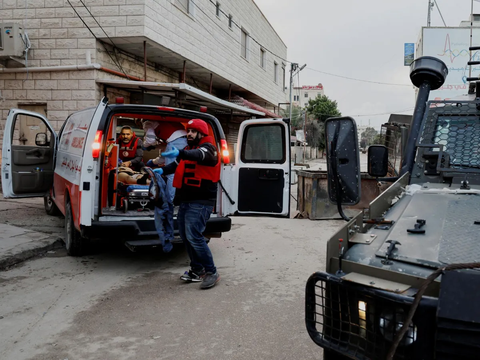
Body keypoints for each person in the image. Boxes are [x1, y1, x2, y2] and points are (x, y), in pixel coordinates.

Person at [154, 119, 221, 289]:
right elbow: (177, 165)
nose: (188, 134)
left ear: (201, 133)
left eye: (192, 131)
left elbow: (199, 155)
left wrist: (181, 154)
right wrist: (162, 170)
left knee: (195, 237)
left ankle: (211, 272)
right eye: (188, 130)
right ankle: (197, 270)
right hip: (186, 200)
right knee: (185, 236)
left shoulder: (209, 149)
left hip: (200, 202)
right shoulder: (188, 149)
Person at [143, 121, 188, 203]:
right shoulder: (166, 125)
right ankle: (178, 199)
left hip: (175, 141)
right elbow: (166, 155)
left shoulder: (148, 123)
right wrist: (154, 161)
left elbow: (150, 140)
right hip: (185, 140)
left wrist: (144, 146)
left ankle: (168, 201)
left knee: (170, 174)